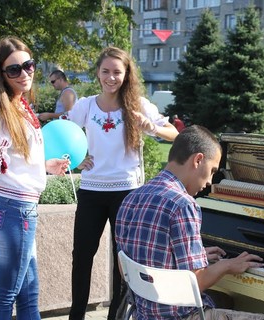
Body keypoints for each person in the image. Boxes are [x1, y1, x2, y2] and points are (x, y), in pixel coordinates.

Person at [116, 125, 264, 320]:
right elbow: (196, 282)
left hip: (143, 314)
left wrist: (196, 257)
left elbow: (124, 266)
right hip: (181, 317)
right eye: (212, 170)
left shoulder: (132, 198)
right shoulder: (183, 205)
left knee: (225, 300)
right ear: (198, 160)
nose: (210, 181)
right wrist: (227, 265)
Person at [0, 36, 69, 319]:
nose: (24, 73)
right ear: (2, 74)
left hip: (17, 209)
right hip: (13, 210)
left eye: (28, 65)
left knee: (29, 295)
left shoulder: (21, 105)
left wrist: (46, 165)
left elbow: (15, 162)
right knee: (5, 296)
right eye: (14, 70)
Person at [66, 46, 179, 320]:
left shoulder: (138, 105)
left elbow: (174, 134)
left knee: (123, 263)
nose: (111, 77)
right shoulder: (85, 105)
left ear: (126, 74)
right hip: (92, 191)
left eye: (117, 72)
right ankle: (76, 316)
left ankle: (116, 317)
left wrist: (150, 127)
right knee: (82, 257)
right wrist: (76, 160)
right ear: (98, 74)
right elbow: (63, 136)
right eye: (105, 71)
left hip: (127, 193)